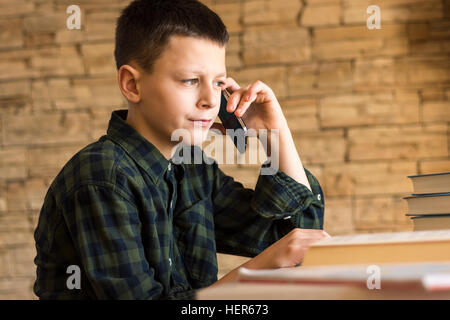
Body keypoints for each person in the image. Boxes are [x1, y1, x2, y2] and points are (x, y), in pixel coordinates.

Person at [33, 0, 330, 300]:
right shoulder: (102, 177)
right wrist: (256, 272)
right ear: (132, 84)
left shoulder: (192, 167)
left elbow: (294, 239)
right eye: (190, 80)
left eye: (217, 83)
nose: (210, 101)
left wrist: (274, 134)